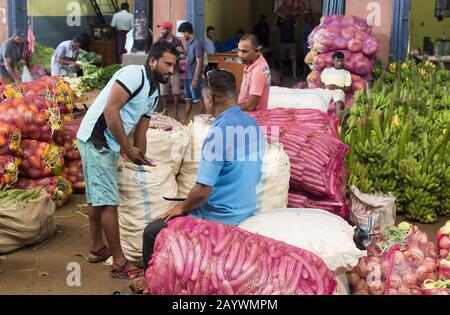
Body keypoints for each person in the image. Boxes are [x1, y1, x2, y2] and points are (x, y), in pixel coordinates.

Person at [130, 69, 265, 294]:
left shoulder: (218, 133)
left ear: (210, 98)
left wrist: (182, 207)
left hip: (220, 215)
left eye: (203, 97)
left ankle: (151, 281)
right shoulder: (251, 125)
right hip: (247, 207)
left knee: (152, 231)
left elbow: (202, 191)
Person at [76, 41, 178, 280]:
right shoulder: (134, 75)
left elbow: (141, 131)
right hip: (97, 139)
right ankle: (120, 262)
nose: (171, 70)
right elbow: (111, 111)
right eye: (167, 64)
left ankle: (96, 247)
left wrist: (140, 156)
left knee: (97, 196)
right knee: (109, 202)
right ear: (152, 61)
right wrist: (127, 148)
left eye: (174, 65)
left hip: (108, 143)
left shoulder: (153, 92)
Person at [178, 22, 205, 125]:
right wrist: (184, 51)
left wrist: (195, 79)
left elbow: (199, 62)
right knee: (188, 100)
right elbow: (190, 58)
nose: (182, 36)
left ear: (186, 32)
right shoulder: (190, 43)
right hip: (188, 77)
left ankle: (202, 123)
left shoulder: (198, 44)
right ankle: (184, 121)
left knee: (198, 101)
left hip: (193, 78)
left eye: (182, 33)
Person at [156, 21, 184, 118]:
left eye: (163, 29)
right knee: (163, 94)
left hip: (174, 71)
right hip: (163, 71)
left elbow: (183, 55)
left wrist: (177, 55)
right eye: (161, 28)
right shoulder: (159, 41)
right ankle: (165, 115)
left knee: (176, 93)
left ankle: (175, 115)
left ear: (169, 30)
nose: (161, 31)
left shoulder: (177, 41)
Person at [238, 34, 271, 112]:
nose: (240, 55)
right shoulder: (252, 63)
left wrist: (230, 109)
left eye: (244, 51)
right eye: (239, 50)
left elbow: (251, 106)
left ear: (256, 51)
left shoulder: (258, 71)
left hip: (252, 118)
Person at [320, 51, 352, 119]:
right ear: (333, 61)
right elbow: (321, 84)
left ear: (344, 61)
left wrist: (336, 87)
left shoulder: (346, 73)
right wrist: (326, 87)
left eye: (341, 61)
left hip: (339, 92)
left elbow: (348, 88)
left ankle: (337, 124)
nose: (339, 63)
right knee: (321, 103)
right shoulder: (326, 70)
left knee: (339, 104)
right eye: (337, 61)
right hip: (326, 90)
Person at [276, 15, 298, 80]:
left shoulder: (292, 21)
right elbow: (273, 28)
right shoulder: (280, 22)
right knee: (281, 59)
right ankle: (281, 73)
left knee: (293, 59)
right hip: (283, 42)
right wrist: (276, 19)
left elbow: (297, 27)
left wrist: (296, 19)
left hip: (291, 42)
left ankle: (294, 75)